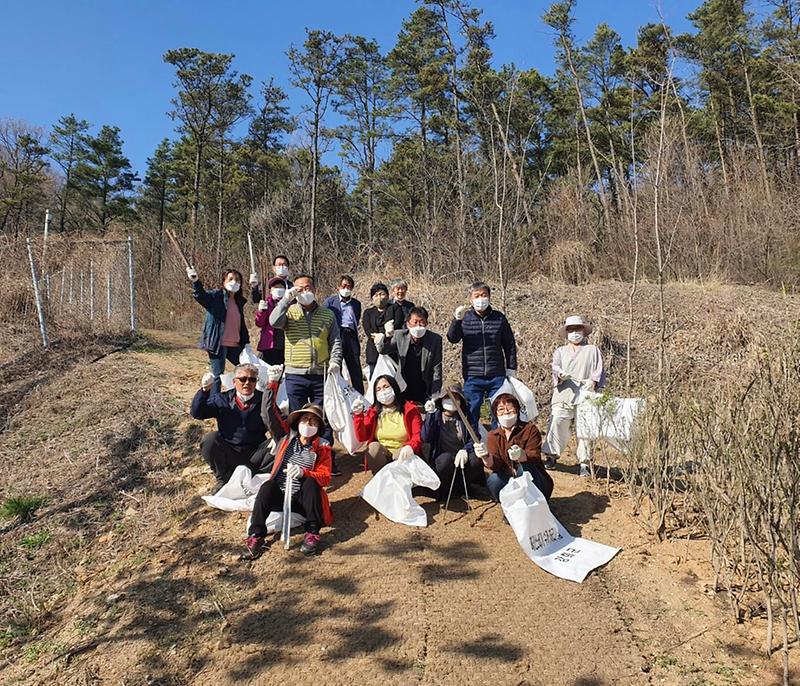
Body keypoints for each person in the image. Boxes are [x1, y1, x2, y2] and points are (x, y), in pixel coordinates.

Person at [269, 273, 343, 474]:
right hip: (295, 374)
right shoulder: (290, 312)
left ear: (314, 289)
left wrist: (335, 362)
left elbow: (335, 340)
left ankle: (327, 459)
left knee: (322, 417)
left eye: (308, 287)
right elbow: (273, 320)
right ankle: (298, 458)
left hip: (321, 373)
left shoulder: (327, 315)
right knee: (297, 417)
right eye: (299, 288)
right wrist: (286, 299)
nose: (305, 291)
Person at [244, 392, 333, 558]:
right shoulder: (285, 440)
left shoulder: (322, 448)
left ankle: (312, 532)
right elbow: (268, 413)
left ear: (318, 427)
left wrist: (303, 473)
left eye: (313, 421)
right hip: (281, 494)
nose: (308, 424)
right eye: (305, 420)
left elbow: (325, 477)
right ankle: (256, 535)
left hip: (303, 500)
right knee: (267, 486)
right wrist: (272, 384)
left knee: (311, 483)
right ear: (298, 422)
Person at [190, 363, 274, 493]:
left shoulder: (264, 399)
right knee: (210, 439)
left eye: (252, 380)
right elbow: (197, 413)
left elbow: (278, 423)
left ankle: (257, 478)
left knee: (280, 443)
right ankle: (223, 478)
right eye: (243, 379)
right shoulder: (222, 399)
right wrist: (204, 390)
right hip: (230, 452)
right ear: (234, 381)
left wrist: (277, 436)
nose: (247, 383)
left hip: (255, 453)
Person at [447, 281, 517, 428]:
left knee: (499, 411)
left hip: (496, 373)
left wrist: (511, 368)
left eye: (484, 295)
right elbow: (452, 338)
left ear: (489, 297)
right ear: (470, 300)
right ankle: (472, 444)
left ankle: (497, 444)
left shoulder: (499, 318)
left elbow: (509, 344)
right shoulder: (465, 318)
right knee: (471, 411)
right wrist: (457, 320)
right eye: (477, 296)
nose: (481, 299)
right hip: (473, 374)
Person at [542, 315, 605, 476]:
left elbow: (598, 370)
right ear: (567, 332)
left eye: (578, 329)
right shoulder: (560, 351)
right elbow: (554, 366)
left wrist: (593, 381)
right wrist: (560, 374)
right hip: (564, 392)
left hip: (586, 392)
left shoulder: (592, 350)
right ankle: (551, 455)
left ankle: (585, 462)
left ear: (583, 331)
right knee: (557, 421)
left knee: (585, 427)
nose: (575, 333)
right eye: (571, 330)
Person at [475, 393, 553, 502]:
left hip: (536, 479)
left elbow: (534, 455)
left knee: (523, 470)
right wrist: (485, 456)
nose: (506, 412)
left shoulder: (530, 429)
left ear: (517, 409)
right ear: (495, 414)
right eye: (501, 409)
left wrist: (522, 456)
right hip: (508, 476)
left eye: (510, 408)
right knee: (494, 480)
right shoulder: (493, 435)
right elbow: (495, 465)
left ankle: (533, 503)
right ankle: (509, 505)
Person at [187, 265, 250, 394]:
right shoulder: (216, 296)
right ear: (223, 282)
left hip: (235, 344)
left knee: (246, 370)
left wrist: (246, 342)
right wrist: (195, 282)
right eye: (231, 279)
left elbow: (241, 324)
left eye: (237, 280)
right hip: (218, 343)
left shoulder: (239, 302)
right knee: (218, 376)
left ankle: (240, 397)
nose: (234, 282)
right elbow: (201, 296)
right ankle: (214, 402)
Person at [421, 385, 484, 501]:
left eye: (455, 397)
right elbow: (425, 437)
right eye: (447, 397)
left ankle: (461, 485)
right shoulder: (436, 416)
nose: (451, 400)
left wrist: (466, 449)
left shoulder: (466, 416)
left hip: (461, 457)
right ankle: (443, 488)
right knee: (446, 460)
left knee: (475, 459)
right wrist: (429, 416)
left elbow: (475, 437)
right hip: (442, 458)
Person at [352, 375, 423, 475]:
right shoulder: (374, 412)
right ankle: (380, 479)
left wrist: (410, 446)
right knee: (373, 448)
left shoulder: (410, 410)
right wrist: (358, 416)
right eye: (378, 389)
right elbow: (362, 437)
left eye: (386, 387)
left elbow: (418, 435)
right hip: (383, 453)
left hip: (402, 452)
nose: (383, 392)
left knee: (402, 456)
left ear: (394, 387)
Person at [376, 306, 442, 407]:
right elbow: (383, 350)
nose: (418, 326)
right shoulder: (400, 336)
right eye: (415, 322)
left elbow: (437, 368)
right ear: (408, 324)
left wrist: (435, 395)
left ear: (427, 323)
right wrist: (386, 337)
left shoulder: (435, 340)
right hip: (403, 385)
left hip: (424, 386)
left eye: (422, 322)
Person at [323, 274, 364, 393]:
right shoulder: (330, 302)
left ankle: (360, 394)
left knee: (355, 367)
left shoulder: (356, 304)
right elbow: (323, 317)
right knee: (336, 366)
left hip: (351, 336)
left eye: (349, 287)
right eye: (344, 286)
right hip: (336, 335)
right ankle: (338, 393)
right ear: (339, 286)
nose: (346, 289)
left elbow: (356, 318)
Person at [362, 282, 404, 378]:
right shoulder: (368, 312)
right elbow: (367, 329)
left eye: (382, 294)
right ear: (372, 298)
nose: (379, 297)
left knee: (392, 379)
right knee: (375, 379)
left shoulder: (395, 308)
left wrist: (385, 335)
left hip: (391, 348)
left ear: (388, 295)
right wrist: (377, 337)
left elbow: (398, 324)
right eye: (376, 295)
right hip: (373, 349)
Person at [252, 277, 287, 365]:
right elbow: (259, 323)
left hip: (285, 345)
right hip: (269, 345)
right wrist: (261, 312)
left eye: (281, 287)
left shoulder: (289, 303)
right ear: (270, 290)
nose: (278, 289)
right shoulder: (266, 303)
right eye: (275, 287)